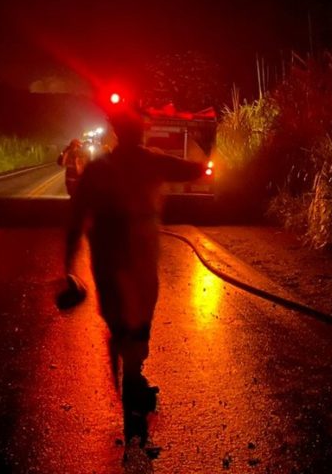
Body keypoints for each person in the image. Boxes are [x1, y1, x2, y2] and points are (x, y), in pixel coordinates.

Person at [62, 106, 205, 448]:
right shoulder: (151, 162)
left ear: (115, 133)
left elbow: (75, 219)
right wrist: (211, 163)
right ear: (139, 132)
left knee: (117, 317)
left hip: (108, 258)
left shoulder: (97, 170)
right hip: (139, 256)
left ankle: (130, 374)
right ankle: (133, 375)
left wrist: (68, 268)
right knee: (140, 314)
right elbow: (193, 171)